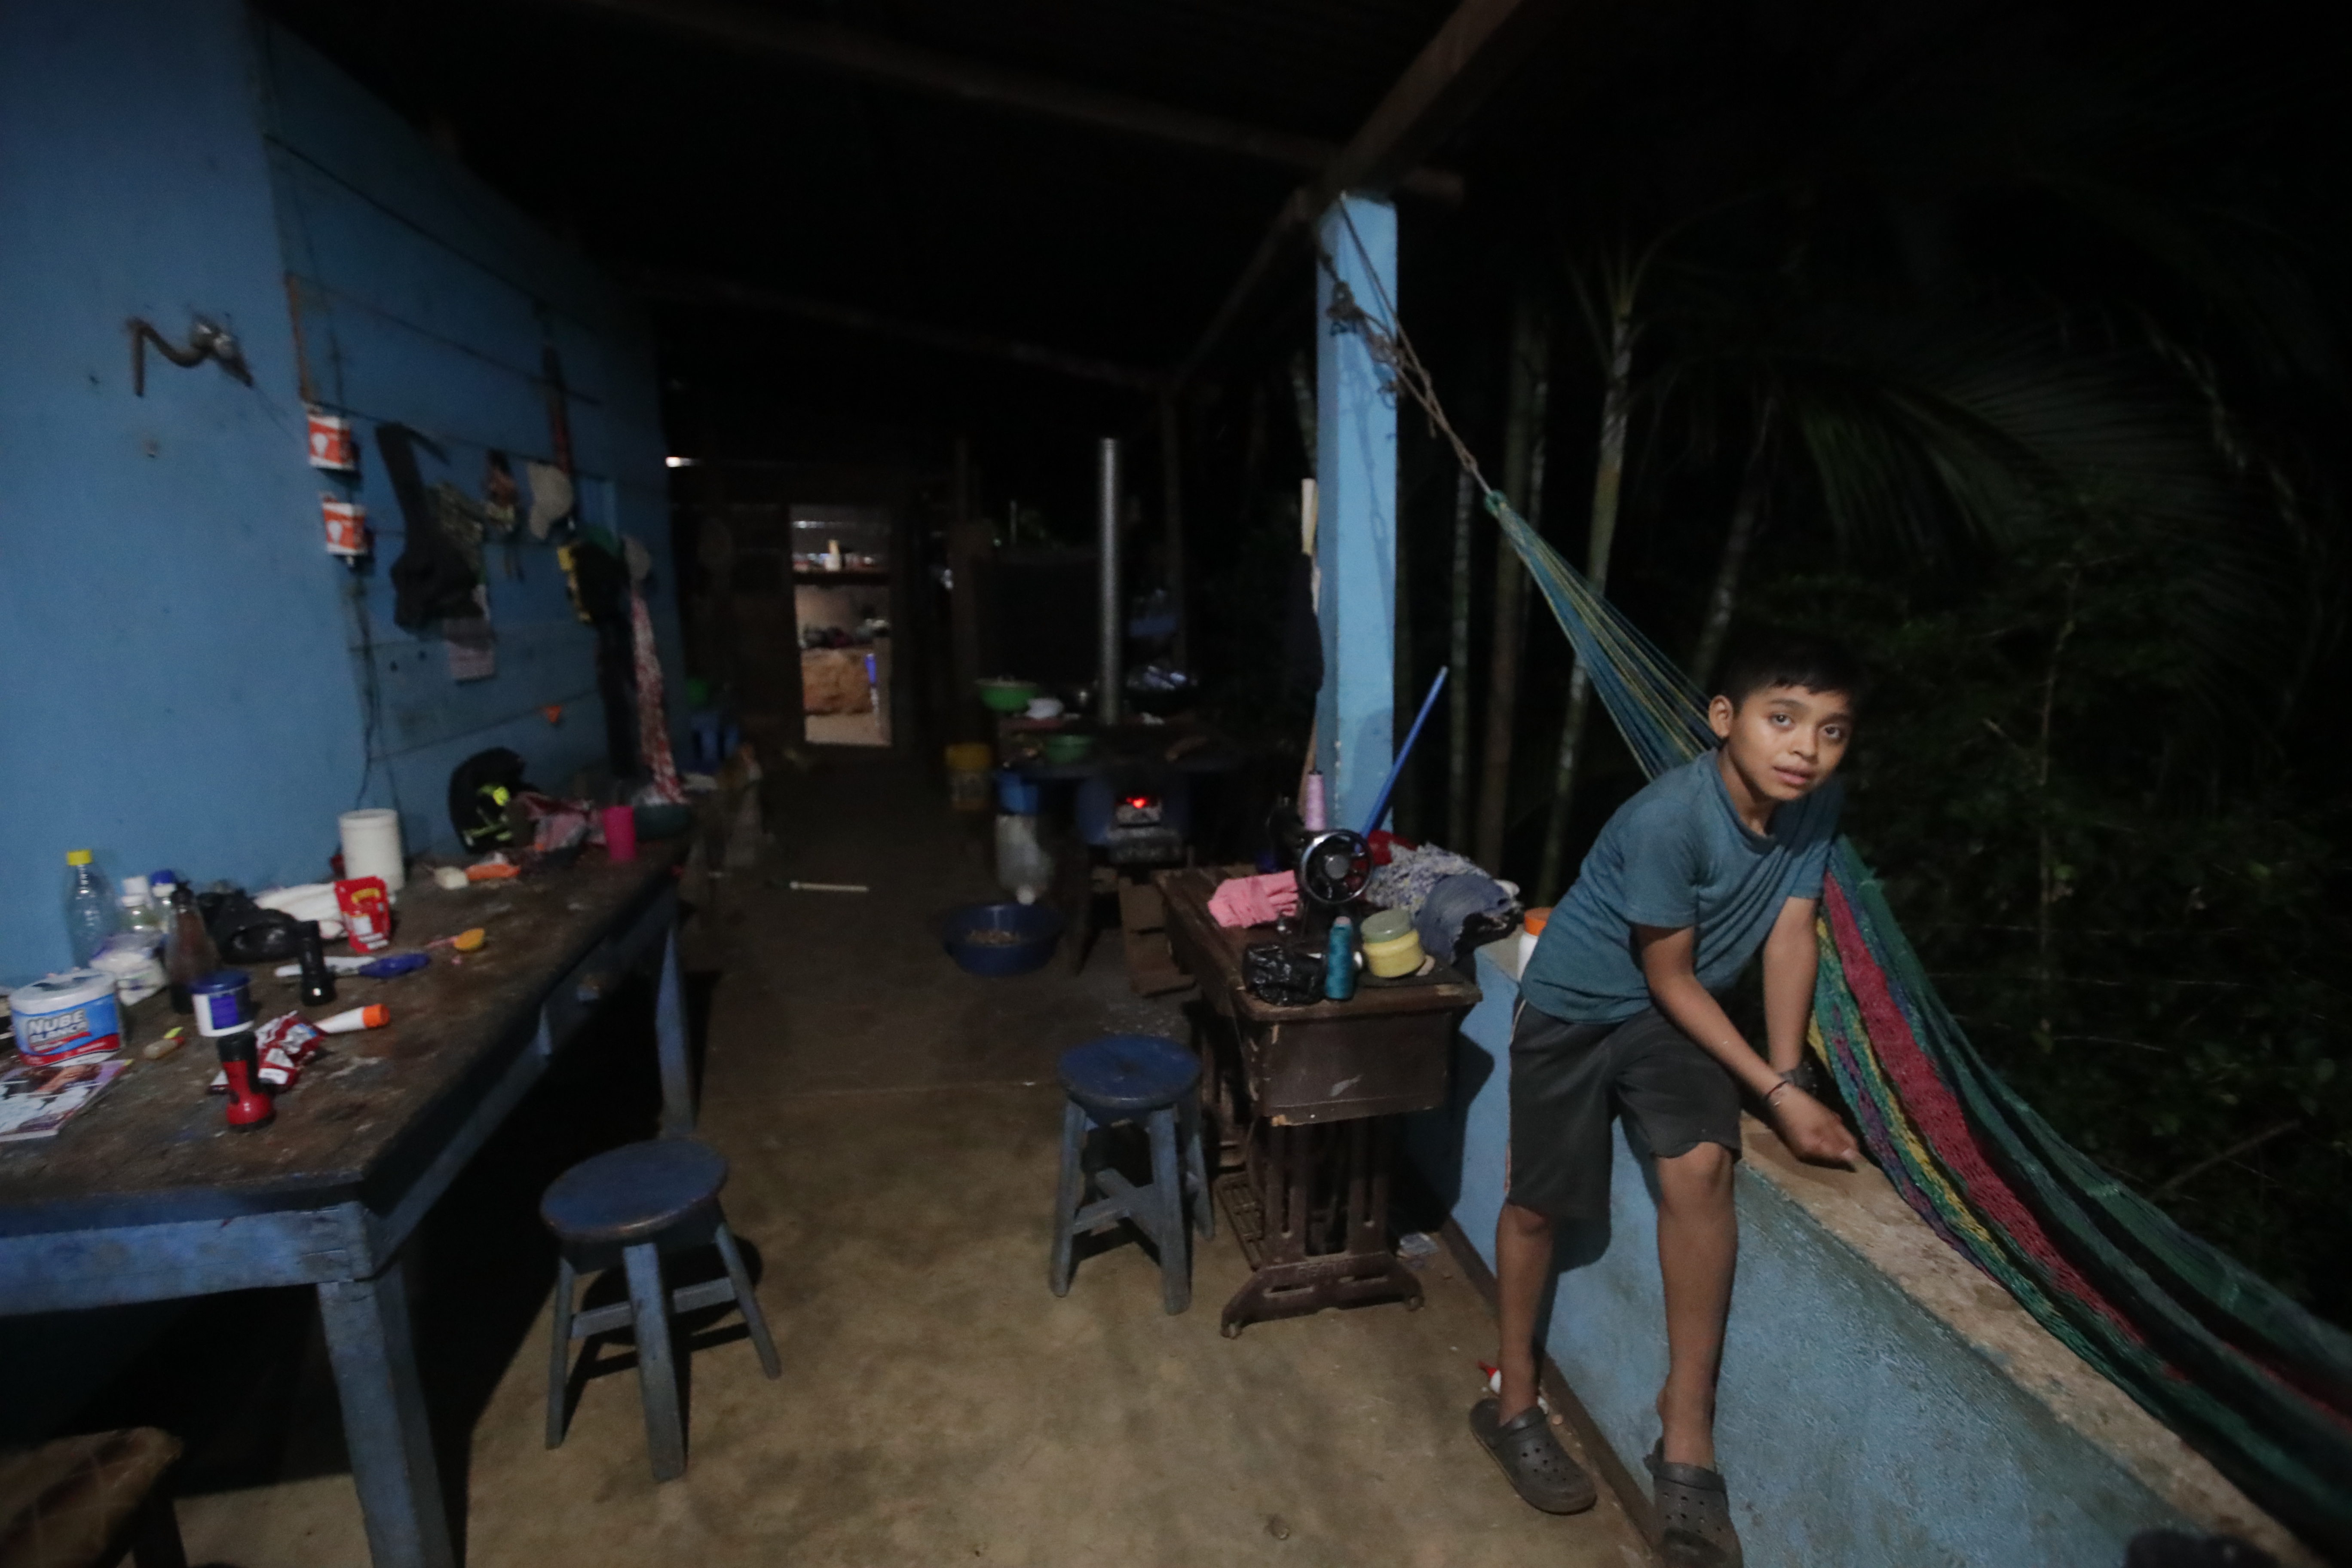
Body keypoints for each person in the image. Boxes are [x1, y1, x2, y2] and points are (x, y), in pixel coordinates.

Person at [1471, 634, 1865, 1568]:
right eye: (1783, 719)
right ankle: (1512, 1398)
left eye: (1832, 730)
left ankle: (1684, 1427)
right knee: (1540, 1201)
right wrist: (1770, 1088)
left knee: (1701, 1166)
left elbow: (1790, 935)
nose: (1806, 748)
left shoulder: (1817, 807)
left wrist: (1787, 1084)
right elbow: (1674, 975)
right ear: (1726, 721)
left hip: (1663, 1019)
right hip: (1577, 1006)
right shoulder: (1668, 819)